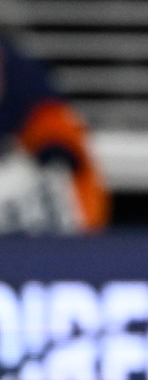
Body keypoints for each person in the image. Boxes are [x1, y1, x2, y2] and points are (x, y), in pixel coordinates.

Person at [0, 35, 109, 234]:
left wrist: (48, 149)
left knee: (23, 177)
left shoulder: (24, 82)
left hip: (58, 220)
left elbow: (59, 145)